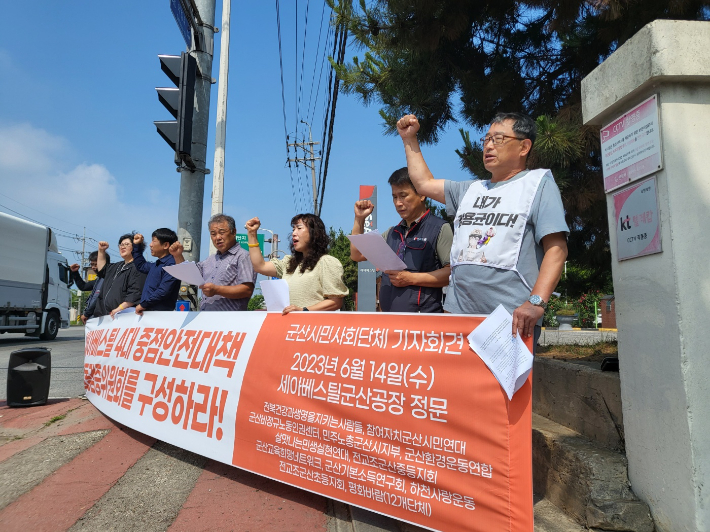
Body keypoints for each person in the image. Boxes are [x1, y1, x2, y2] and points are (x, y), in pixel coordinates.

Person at [397, 112, 568, 343]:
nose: (488, 146)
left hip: (511, 321)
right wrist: (409, 139)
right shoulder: (470, 190)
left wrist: (535, 303)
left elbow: (556, 249)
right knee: (454, 380)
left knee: (502, 382)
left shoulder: (538, 185)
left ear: (524, 147)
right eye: (486, 140)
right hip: (457, 318)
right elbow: (424, 184)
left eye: (498, 139)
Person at [350, 167, 453, 312]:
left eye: (403, 195)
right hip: (391, 324)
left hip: (423, 325)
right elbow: (356, 255)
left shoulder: (440, 228)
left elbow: (452, 273)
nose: (398, 203)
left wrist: (410, 278)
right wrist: (359, 220)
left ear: (422, 195)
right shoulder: (392, 233)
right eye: (394, 197)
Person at [245, 213, 348, 314]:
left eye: (299, 228)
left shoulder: (326, 262)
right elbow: (260, 266)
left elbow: (336, 301)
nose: (294, 233)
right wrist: (252, 233)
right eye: (293, 229)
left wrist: (304, 311)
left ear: (315, 233)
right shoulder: (289, 262)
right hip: (288, 327)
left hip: (312, 328)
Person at [169, 214, 256, 311]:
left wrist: (216, 290)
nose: (217, 237)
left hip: (229, 321)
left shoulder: (243, 256)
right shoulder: (210, 259)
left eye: (222, 232)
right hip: (206, 319)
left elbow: (247, 290)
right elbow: (189, 275)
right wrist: (177, 255)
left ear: (234, 232)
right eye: (213, 234)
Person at [95, 233, 147, 318]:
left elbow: (135, 294)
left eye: (127, 244)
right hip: (108, 315)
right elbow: (102, 270)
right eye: (121, 245)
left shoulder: (139, 268)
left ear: (135, 246)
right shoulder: (116, 266)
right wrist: (101, 250)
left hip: (124, 316)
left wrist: (118, 309)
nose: (122, 247)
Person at [131, 228, 181, 315]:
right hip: (149, 312)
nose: (150, 245)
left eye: (154, 241)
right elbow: (141, 265)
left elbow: (163, 291)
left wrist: (143, 304)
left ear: (165, 245)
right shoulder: (156, 265)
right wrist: (137, 246)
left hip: (159, 315)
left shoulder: (172, 265)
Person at [69, 251, 109, 324]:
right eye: (91, 264)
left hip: (102, 318)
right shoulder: (98, 280)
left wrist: (87, 314)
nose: (93, 267)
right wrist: (75, 273)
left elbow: (98, 298)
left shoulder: (107, 279)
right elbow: (83, 287)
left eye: (95, 264)